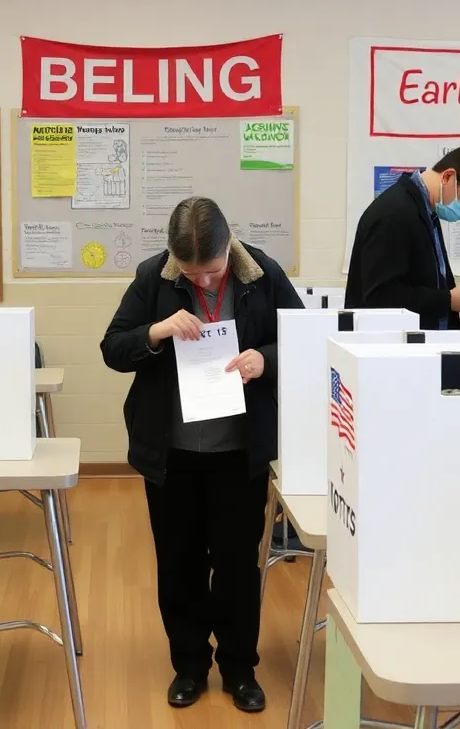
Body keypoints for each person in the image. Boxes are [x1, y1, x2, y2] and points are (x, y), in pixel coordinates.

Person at [100, 196, 303, 713]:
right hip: (172, 457)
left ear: (228, 249)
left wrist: (267, 359)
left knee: (237, 567)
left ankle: (240, 669)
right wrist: (157, 330)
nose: (205, 283)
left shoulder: (263, 275)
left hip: (239, 454)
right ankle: (189, 665)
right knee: (179, 565)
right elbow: (113, 348)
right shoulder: (154, 278)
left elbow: (304, 341)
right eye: (193, 274)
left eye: (211, 272)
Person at [345, 144, 460, 329]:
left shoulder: (426, 211)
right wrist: (448, 300)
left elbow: (420, 281)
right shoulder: (394, 213)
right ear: (448, 177)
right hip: (391, 346)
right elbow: (380, 296)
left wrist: (456, 296)